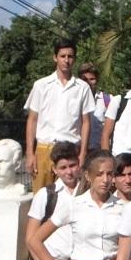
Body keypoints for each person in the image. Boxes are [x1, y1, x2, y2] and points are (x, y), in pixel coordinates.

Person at [27, 149, 123, 260]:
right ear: (88, 176)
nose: (105, 180)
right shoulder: (74, 205)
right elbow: (35, 240)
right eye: (99, 174)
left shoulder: (122, 207)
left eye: (109, 174)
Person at [25, 39, 94, 192]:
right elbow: (32, 119)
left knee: (69, 198)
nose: (66, 60)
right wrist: (30, 153)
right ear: (55, 57)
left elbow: (86, 123)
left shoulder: (82, 88)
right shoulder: (41, 85)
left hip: (70, 151)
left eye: (70, 56)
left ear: (74, 59)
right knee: (41, 199)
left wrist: (82, 154)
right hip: (44, 149)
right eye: (62, 56)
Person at [26, 142, 81, 260]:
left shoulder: (87, 193)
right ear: (55, 169)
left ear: (79, 164)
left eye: (72, 165)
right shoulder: (46, 195)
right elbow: (30, 239)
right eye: (63, 167)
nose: (69, 172)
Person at [80, 63, 109, 151]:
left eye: (92, 79)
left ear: (97, 80)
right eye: (85, 79)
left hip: (98, 150)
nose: (88, 83)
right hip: (78, 149)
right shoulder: (74, 99)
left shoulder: (107, 99)